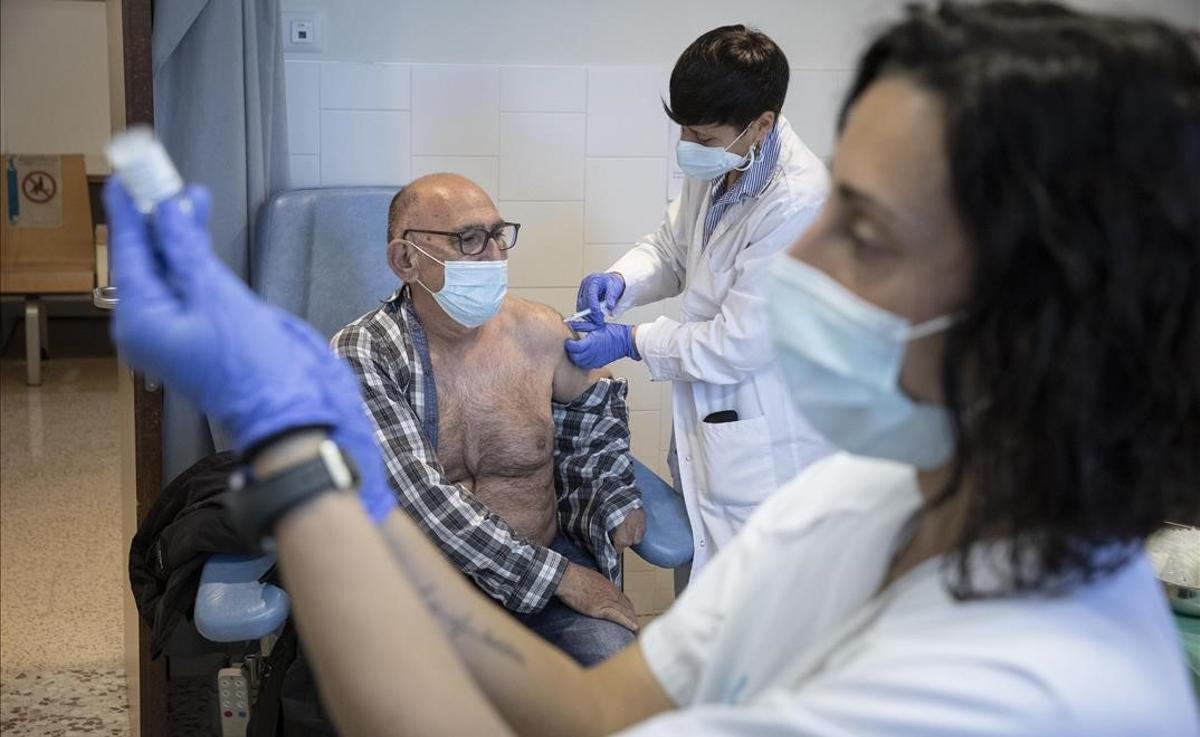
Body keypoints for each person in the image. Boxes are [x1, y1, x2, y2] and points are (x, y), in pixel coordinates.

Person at [105, 2, 1199, 735]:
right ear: (405, 257)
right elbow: (587, 712)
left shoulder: (1030, 691)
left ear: (1030, 309)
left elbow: (631, 410)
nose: (802, 255)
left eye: (861, 230)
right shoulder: (863, 502)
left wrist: (304, 457)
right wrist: (333, 454)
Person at [330, 173, 645, 664]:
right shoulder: (363, 354)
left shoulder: (539, 333)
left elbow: (597, 421)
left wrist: (615, 496)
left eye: (500, 235)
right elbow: (426, 503)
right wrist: (562, 577)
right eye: (470, 240)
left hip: (550, 584)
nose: (496, 256)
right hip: (427, 593)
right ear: (405, 260)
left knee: (619, 680)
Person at [567, 25, 833, 578]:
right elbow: (674, 247)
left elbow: (740, 343)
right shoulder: (724, 163)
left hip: (765, 435)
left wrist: (633, 340)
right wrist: (621, 281)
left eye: (704, 138)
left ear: (761, 124)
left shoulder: (800, 202)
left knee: (751, 618)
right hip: (711, 419)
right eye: (685, 131)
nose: (690, 147)